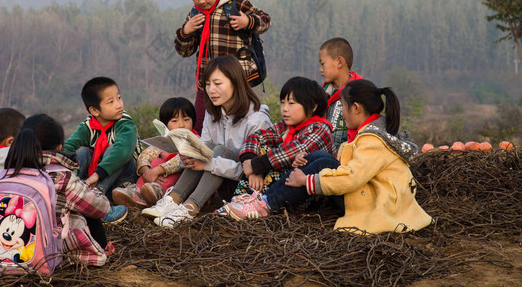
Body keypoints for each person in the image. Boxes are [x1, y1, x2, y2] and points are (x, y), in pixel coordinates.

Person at [225, 80, 433, 234]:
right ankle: (262, 200)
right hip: (367, 193)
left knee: (323, 162)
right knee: (319, 157)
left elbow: (352, 177)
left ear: (356, 108)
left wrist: (307, 180)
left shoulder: (372, 140)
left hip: (378, 204)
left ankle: (266, 204)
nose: (341, 113)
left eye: (342, 107)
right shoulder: (367, 132)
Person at [142, 55, 272, 228]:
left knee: (217, 150)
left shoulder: (257, 120)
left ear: (235, 82)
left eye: (218, 84)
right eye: (208, 84)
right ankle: (173, 200)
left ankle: (191, 207)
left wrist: (208, 164)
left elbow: (252, 169)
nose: (211, 90)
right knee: (205, 148)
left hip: (246, 187)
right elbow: (203, 149)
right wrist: (188, 157)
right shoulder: (213, 113)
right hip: (220, 183)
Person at [3, 114, 124, 266]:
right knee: (86, 208)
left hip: (12, 247)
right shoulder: (61, 177)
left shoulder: (7, 174)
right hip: (50, 251)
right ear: (59, 147)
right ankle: (101, 249)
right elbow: (102, 208)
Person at [174, 0, 271, 132]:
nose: (201, 1)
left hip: (237, 81)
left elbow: (265, 20)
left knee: (239, 124)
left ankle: (243, 155)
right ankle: (203, 156)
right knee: (201, 126)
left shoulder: (236, 3)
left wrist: (248, 22)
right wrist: (185, 32)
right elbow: (184, 51)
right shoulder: (195, 14)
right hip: (207, 83)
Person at [225, 77, 333, 214]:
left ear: (312, 106)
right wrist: (251, 164)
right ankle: (243, 200)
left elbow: (296, 150)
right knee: (263, 149)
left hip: (307, 196)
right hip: (283, 188)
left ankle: (256, 204)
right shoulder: (285, 126)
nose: (284, 109)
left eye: (291, 103)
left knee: (273, 157)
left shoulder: (321, 128)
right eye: (283, 103)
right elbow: (255, 137)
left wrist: (256, 165)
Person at [63, 77, 142, 199]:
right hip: (92, 178)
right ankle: (71, 186)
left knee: (113, 150)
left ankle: (97, 194)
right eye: (111, 102)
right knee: (81, 152)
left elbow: (123, 151)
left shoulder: (125, 122)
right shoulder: (87, 126)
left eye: (119, 98)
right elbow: (68, 146)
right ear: (94, 110)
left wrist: (97, 175)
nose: (119, 105)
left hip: (124, 178)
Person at [112, 97, 198, 208]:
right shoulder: (164, 141)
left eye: (186, 120)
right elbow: (145, 155)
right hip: (153, 179)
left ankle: (155, 194)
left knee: (175, 167)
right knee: (156, 160)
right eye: (175, 121)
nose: (181, 125)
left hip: (180, 185)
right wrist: (147, 171)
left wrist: (158, 171)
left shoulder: (195, 140)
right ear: (165, 125)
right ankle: (139, 192)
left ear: (193, 121)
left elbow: (180, 161)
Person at [319, 38, 362, 150]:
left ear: (339, 62)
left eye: (323, 64)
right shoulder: (320, 95)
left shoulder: (360, 95)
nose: (320, 69)